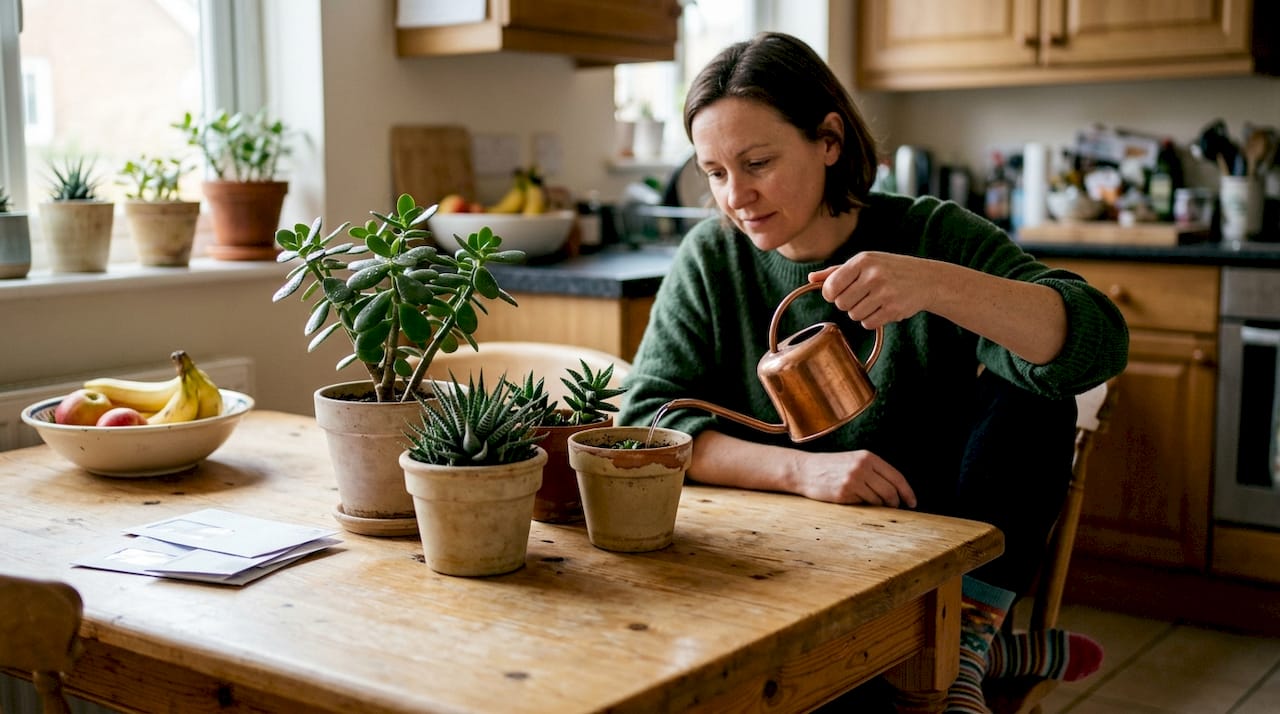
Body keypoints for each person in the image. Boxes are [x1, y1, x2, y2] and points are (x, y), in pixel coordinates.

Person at [616, 32, 1128, 712]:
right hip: (777, 562)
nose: (736, 196)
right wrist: (807, 471)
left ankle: (964, 639)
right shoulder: (711, 259)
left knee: (1038, 389)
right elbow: (646, 423)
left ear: (829, 139)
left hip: (926, 553)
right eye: (714, 173)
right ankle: (971, 650)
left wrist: (936, 287)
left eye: (757, 162)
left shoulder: (930, 235)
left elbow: (1098, 343)